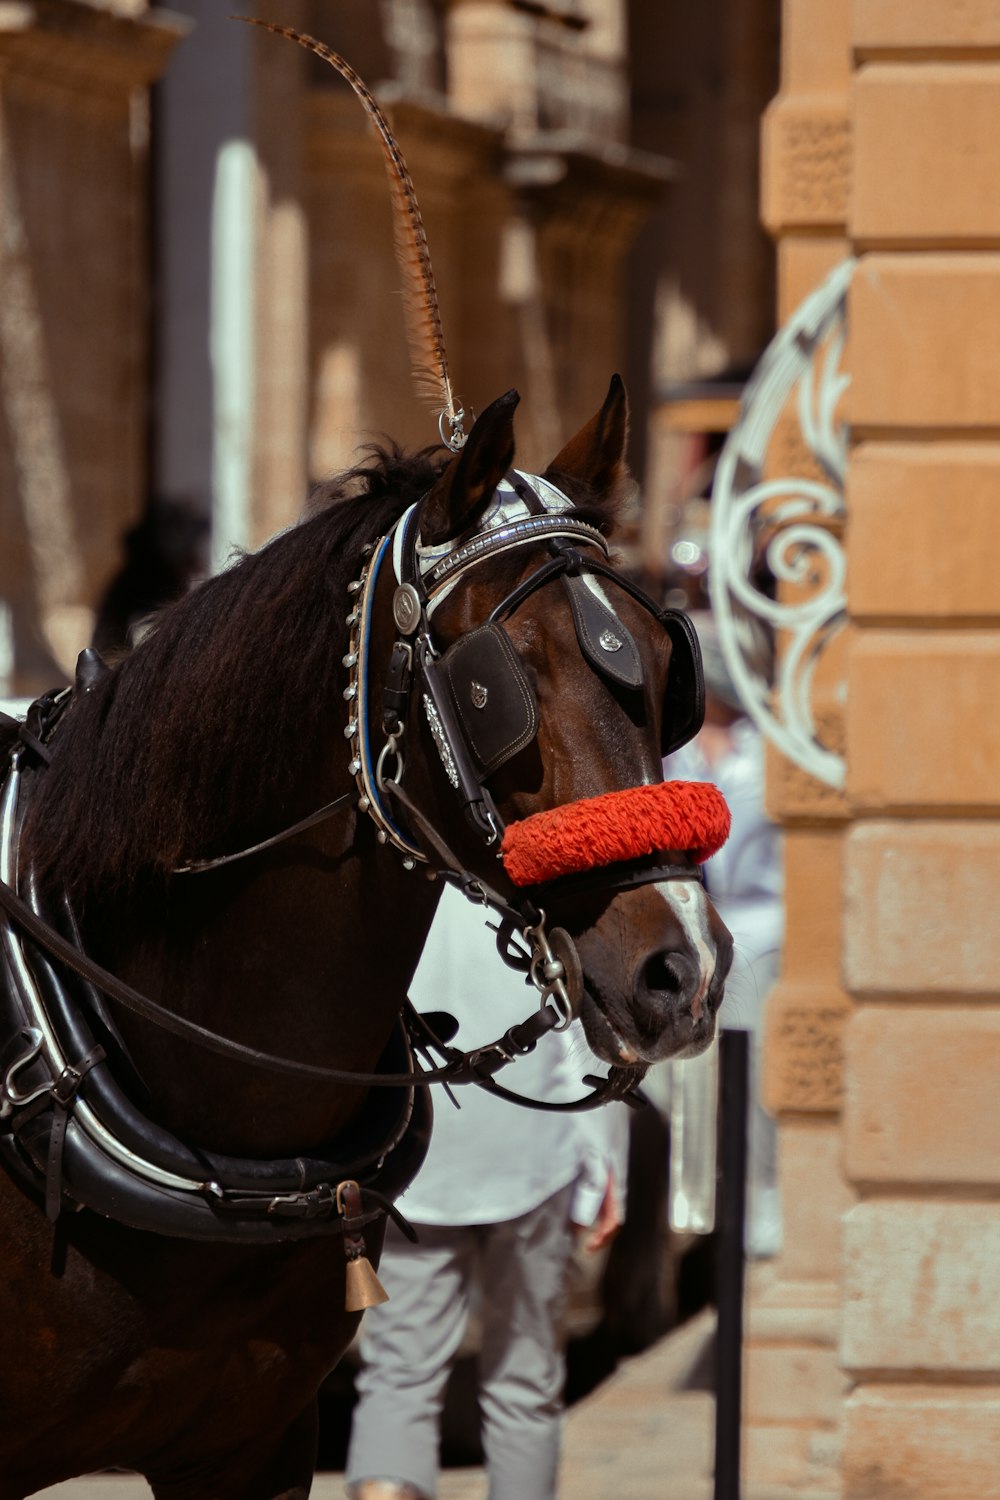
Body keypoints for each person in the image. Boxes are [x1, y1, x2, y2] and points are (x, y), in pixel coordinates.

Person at [345, 881, 629, 1500]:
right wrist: (605, 1156)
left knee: (399, 1374)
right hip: (533, 1145)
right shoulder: (532, 873)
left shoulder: (394, 868)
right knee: (524, 1384)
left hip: (416, 1151)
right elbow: (582, 1016)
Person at [662, 610, 783, 1258]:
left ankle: (758, 1207)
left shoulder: (772, 745)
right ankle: (693, 1218)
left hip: (763, 932)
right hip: (687, 928)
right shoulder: (668, 748)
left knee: (757, 1079)